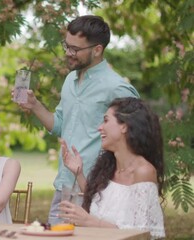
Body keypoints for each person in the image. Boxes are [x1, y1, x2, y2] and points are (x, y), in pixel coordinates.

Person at [14, 15, 140, 225]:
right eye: (66, 46)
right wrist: (34, 105)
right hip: (63, 185)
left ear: (97, 49)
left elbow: (136, 136)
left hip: (97, 188)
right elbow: (60, 126)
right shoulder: (70, 80)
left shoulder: (115, 87)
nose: (68, 53)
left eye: (75, 49)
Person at [59, 97, 165, 239]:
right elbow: (100, 205)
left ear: (124, 126)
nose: (100, 127)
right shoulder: (109, 168)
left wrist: (88, 221)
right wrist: (79, 174)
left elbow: (140, 234)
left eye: (106, 120)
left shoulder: (143, 172)